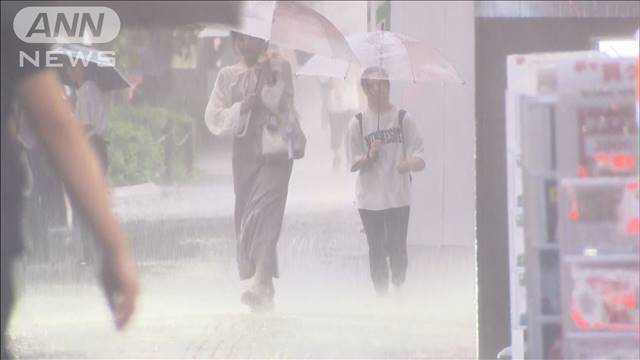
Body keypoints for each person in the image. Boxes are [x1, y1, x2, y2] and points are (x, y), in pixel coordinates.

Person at [1, 4, 138, 357]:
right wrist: (114, 247)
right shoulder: (15, 21)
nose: (69, 68)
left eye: (74, 65)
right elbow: (56, 126)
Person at [204, 31, 295, 312]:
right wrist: (240, 107)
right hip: (244, 157)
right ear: (235, 43)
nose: (246, 44)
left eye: (253, 38)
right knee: (248, 216)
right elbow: (214, 117)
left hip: (276, 152)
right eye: (240, 38)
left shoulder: (279, 68)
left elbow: (287, 107)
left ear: (264, 41)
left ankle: (259, 281)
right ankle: (264, 283)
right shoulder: (227, 76)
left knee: (265, 213)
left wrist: (267, 87)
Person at [345, 67, 426, 297]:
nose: (379, 90)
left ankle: (399, 288)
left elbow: (421, 157)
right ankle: (381, 296)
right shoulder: (358, 123)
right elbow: (352, 164)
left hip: (398, 197)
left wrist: (408, 164)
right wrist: (369, 156)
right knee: (377, 249)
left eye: (384, 84)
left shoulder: (403, 119)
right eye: (373, 85)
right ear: (365, 90)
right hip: (369, 200)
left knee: (398, 247)